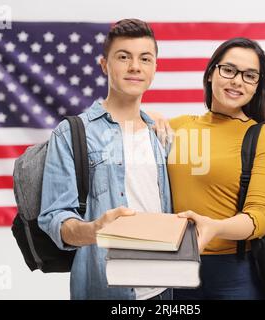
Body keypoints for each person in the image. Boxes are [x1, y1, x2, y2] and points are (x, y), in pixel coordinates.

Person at [38, 19, 172, 300]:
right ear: (104, 65)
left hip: (164, 289)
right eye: (123, 57)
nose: (135, 66)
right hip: (106, 287)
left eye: (145, 58)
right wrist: (94, 230)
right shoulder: (72, 133)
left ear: (155, 68)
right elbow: (54, 217)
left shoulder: (160, 134)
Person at [165, 38, 265, 299]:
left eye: (249, 75)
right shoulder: (179, 127)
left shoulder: (263, 135)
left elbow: (260, 217)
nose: (237, 81)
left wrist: (214, 227)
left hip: (234, 274)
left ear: (257, 86)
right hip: (173, 266)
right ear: (211, 74)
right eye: (229, 70)